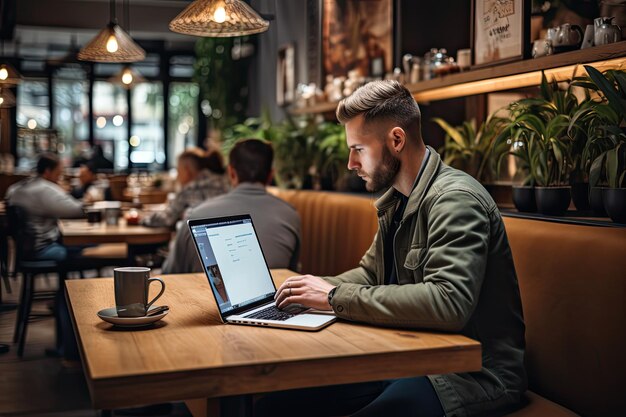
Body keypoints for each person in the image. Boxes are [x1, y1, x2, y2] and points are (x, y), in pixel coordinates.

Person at [259, 80, 527, 417]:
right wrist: (304, 292)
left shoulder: (456, 200)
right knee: (274, 403)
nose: (350, 164)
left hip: (473, 374)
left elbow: (448, 302)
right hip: (410, 357)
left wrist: (330, 297)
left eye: (358, 149)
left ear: (396, 140)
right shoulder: (397, 200)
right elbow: (370, 274)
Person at [163, 139, 301, 274]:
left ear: (231, 173)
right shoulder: (290, 215)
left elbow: (169, 273)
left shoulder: (196, 215)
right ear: (271, 175)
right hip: (275, 297)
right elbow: (292, 273)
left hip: (203, 296)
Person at [6, 153, 85, 261]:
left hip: (25, 250)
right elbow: (78, 210)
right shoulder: (45, 189)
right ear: (48, 171)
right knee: (88, 251)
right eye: (58, 174)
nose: (60, 178)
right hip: (43, 249)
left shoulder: (14, 188)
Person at [141, 147, 230, 228]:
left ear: (187, 170)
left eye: (178, 170)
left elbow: (166, 219)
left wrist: (143, 218)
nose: (178, 175)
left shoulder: (190, 190)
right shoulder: (224, 182)